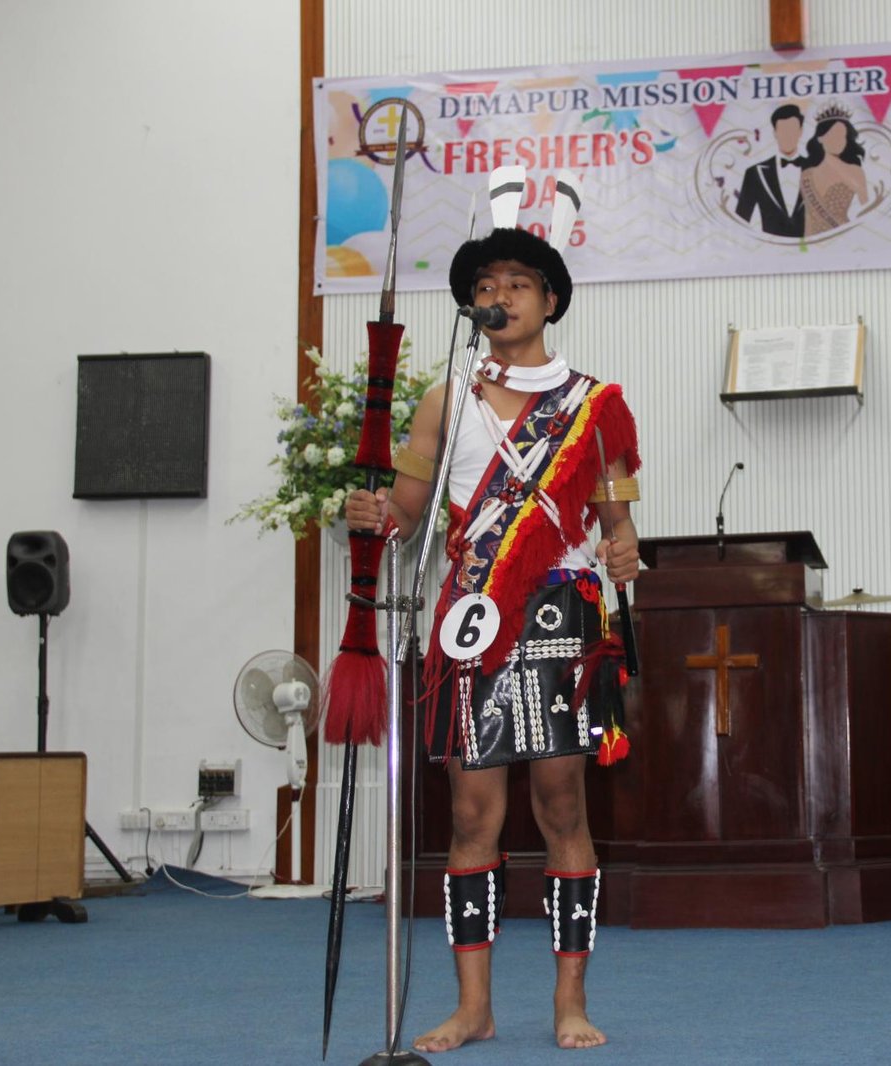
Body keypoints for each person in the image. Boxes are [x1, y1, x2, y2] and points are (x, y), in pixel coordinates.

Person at [344, 225, 640, 1053]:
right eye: (485, 285)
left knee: (561, 805)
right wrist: (375, 515)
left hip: (561, 616)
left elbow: (618, 522)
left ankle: (570, 1000)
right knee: (472, 814)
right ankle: (472, 1006)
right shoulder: (445, 399)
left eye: (517, 283)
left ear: (550, 300)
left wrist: (624, 548)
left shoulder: (595, 407)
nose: (499, 295)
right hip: (471, 616)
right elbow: (406, 516)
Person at [734, 103, 808, 238]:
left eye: (792, 129)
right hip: (770, 249)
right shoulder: (755, 173)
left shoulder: (817, 169)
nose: (788, 136)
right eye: (783, 130)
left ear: (801, 131)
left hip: (811, 249)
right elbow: (741, 222)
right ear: (775, 133)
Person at [798, 110, 870, 237]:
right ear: (820, 138)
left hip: (843, 237)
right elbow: (808, 217)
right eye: (834, 135)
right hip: (814, 240)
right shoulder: (807, 175)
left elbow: (866, 210)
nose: (839, 140)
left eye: (843, 136)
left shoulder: (855, 171)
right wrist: (806, 245)